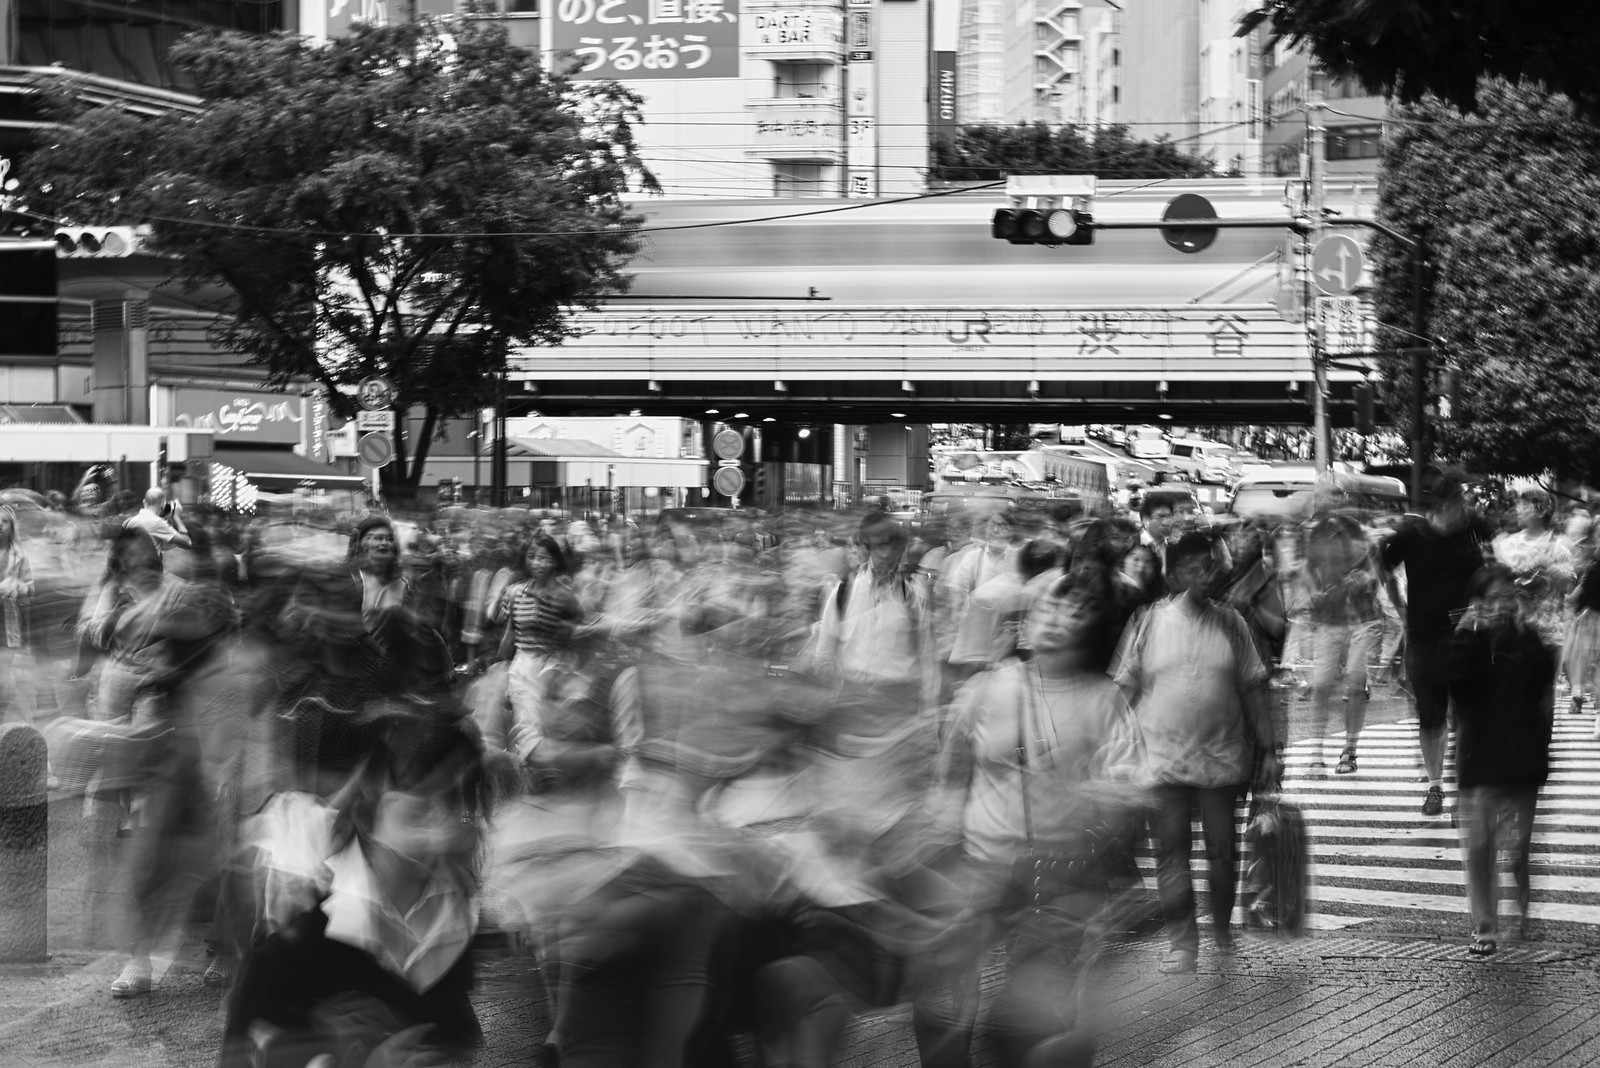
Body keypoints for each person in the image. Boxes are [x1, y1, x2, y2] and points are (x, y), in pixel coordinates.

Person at [916, 571, 1148, 1068]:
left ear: (1093, 631)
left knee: (1034, 1015)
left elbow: (1128, 787)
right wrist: (940, 842)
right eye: (1050, 608)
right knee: (943, 991)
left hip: (1059, 877)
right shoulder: (986, 688)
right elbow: (951, 771)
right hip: (981, 865)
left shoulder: (1103, 700)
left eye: (1075, 612)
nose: (1057, 620)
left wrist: (1091, 795)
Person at [1111, 531, 1279, 974]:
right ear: (1174, 576)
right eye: (1194, 569)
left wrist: (1269, 750)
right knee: (1171, 855)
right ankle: (1183, 945)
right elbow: (1125, 688)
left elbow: (1253, 687)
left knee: (1222, 856)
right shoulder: (1148, 621)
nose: (1205, 575)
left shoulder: (1232, 622)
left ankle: (1221, 930)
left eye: (1209, 566)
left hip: (1221, 763)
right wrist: (1111, 744)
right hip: (1162, 761)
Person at [1445, 564, 1555, 956]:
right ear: (1476, 603)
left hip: (1521, 758)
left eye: (1508, 598)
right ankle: (1485, 928)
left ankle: (1523, 907)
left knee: (1518, 848)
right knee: (1480, 847)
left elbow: (1541, 684)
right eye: (1492, 599)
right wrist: (1467, 635)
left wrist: (1525, 631)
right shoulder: (1469, 643)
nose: (1501, 606)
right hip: (1479, 757)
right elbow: (1457, 688)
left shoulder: (1527, 640)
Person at [1380, 473, 1494, 816]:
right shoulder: (1410, 536)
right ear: (1446, 505)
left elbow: (1488, 575)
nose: (1467, 509)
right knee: (1430, 716)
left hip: (1467, 636)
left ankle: (1467, 785)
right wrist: (1400, 608)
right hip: (1423, 638)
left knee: (1468, 713)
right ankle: (1435, 786)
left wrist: (1477, 609)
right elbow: (1383, 568)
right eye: (1462, 502)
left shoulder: (1473, 529)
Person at [1301, 513, 1381, 776]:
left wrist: (1365, 581)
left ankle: (1350, 750)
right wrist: (1313, 592)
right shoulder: (1319, 536)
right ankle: (1316, 753)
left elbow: (1374, 576)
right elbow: (1307, 568)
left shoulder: (1360, 540)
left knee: (1356, 681)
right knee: (1321, 684)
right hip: (1329, 621)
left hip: (1362, 620)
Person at [124, 486, 192, 553]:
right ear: (163, 504)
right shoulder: (158, 523)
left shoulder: (130, 521)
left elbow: (163, 546)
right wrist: (177, 517)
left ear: (144, 502)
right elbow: (188, 543)